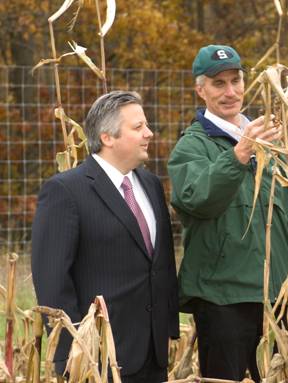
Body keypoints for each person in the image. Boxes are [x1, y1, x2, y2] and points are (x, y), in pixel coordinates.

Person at [168, 44, 288, 382]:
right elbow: (196, 200)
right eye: (218, 83)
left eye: (236, 81)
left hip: (279, 299)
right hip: (223, 299)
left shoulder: (275, 144)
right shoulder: (192, 147)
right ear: (200, 89)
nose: (230, 92)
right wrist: (239, 154)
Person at [32, 91, 179, 383]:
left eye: (146, 125)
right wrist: (73, 353)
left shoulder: (150, 184)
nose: (149, 133)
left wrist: (168, 330)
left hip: (153, 354)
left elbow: (161, 264)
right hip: (97, 359)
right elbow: (52, 280)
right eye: (138, 128)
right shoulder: (66, 191)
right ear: (107, 137)